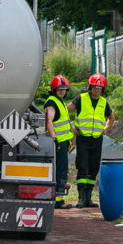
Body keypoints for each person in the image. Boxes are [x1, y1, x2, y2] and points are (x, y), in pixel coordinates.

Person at [66, 73, 115, 208]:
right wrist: (72, 127)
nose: (97, 89)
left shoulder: (103, 102)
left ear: (103, 89)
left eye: (100, 87)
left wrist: (106, 129)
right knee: (82, 166)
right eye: (95, 87)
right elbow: (65, 110)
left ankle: (88, 198)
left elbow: (111, 117)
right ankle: (81, 198)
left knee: (93, 167)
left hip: (97, 139)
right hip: (83, 139)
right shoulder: (81, 98)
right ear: (90, 87)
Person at [44, 75, 74, 209]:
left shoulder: (59, 101)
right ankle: (58, 200)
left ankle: (58, 198)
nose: (62, 91)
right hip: (58, 143)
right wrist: (54, 139)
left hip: (63, 142)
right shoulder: (52, 102)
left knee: (62, 169)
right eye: (59, 89)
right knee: (60, 170)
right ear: (54, 89)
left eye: (64, 89)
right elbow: (49, 122)